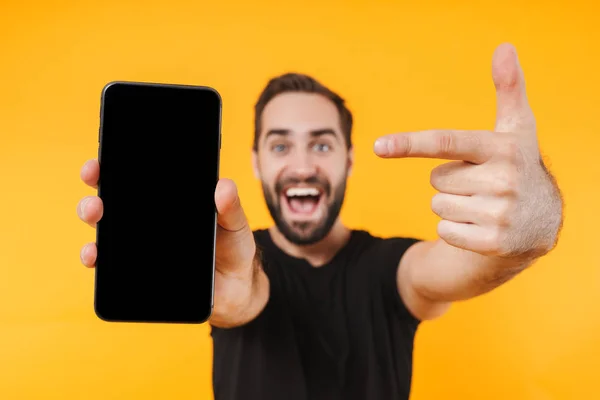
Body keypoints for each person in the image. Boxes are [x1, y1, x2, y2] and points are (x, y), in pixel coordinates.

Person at [76, 43, 564, 400]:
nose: (304, 165)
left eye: (323, 144)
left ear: (349, 160)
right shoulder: (225, 260)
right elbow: (247, 291)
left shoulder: (393, 270)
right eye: (281, 145)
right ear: (256, 162)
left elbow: (461, 265)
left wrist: (532, 226)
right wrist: (234, 298)